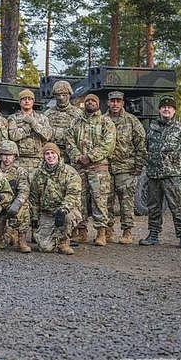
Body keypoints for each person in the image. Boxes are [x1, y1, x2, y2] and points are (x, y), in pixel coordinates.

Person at [140, 95, 181, 249]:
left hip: (173, 176)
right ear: (159, 110)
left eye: (170, 107)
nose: (166, 109)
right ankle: (153, 235)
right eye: (164, 107)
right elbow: (145, 149)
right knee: (153, 207)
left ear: (174, 111)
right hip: (153, 175)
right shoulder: (151, 130)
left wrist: (179, 166)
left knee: (178, 207)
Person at [65, 93, 116, 246]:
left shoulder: (106, 122)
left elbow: (108, 144)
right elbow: (69, 141)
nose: (90, 103)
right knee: (79, 200)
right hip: (79, 167)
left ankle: (101, 232)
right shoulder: (75, 122)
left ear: (98, 104)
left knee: (99, 200)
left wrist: (91, 157)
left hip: (98, 167)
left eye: (93, 101)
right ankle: (81, 231)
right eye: (87, 101)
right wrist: (78, 156)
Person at [105, 91, 147, 244]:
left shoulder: (131, 121)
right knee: (106, 202)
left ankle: (127, 232)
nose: (115, 104)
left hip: (126, 168)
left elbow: (141, 145)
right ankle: (107, 231)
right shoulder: (102, 120)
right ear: (108, 103)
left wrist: (138, 165)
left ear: (123, 103)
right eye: (112, 101)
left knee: (126, 202)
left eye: (118, 101)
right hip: (106, 168)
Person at [28, 143, 82, 254]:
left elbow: (73, 195)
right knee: (45, 248)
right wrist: (34, 218)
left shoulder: (70, 172)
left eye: (53, 153)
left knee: (68, 218)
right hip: (47, 212)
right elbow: (34, 197)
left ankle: (64, 242)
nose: (50, 156)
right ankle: (51, 238)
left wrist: (63, 210)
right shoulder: (38, 174)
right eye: (47, 154)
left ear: (58, 155)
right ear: (43, 156)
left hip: (65, 211)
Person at [0, 140, 32, 253]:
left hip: (12, 204)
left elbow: (24, 191)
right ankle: (8, 234)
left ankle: (22, 239)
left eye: (10, 155)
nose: (7, 158)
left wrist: (16, 204)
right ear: (0, 155)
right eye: (4, 155)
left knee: (24, 207)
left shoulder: (20, 172)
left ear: (15, 156)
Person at [8, 88, 52, 177]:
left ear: (33, 101)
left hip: (38, 160)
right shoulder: (13, 118)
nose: (27, 101)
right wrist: (27, 127)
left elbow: (47, 135)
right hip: (19, 160)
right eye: (24, 99)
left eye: (30, 99)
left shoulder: (42, 118)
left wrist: (34, 124)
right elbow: (13, 136)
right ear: (20, 102)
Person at [44, 80, 83, 158]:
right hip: (52, 154)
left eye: (64, 95)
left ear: (69, 95)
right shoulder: (47, 114)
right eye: (58, 95)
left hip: (72, 154)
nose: (61, 98)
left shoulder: (78, 114)